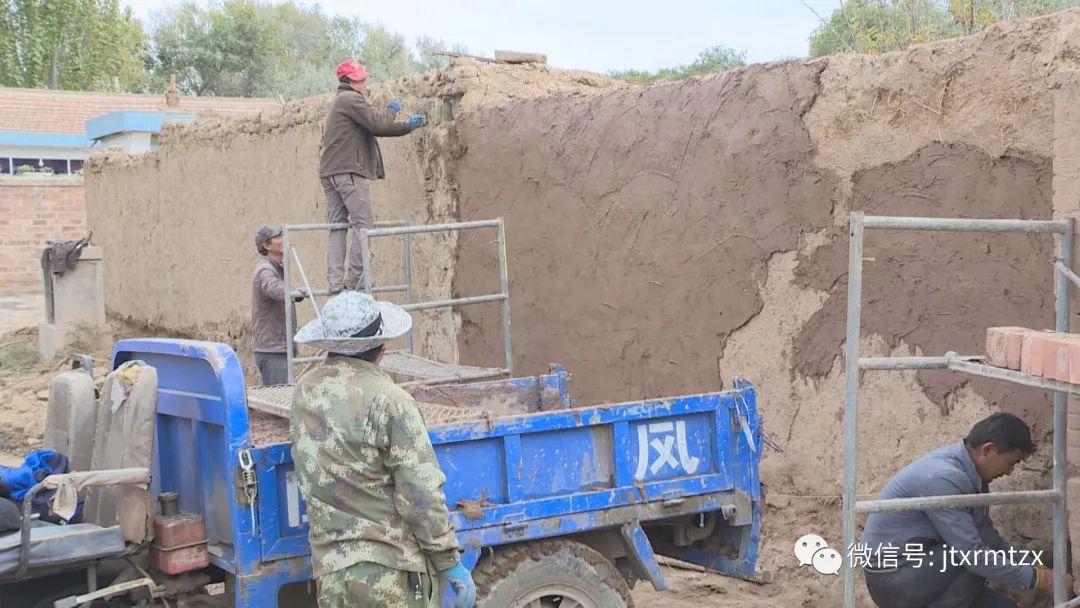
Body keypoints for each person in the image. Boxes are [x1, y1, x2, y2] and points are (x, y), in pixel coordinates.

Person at [290, 290, 476, 608]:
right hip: (390, 577)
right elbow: (420, 495)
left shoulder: (305, 391)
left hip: (333, 576)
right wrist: (449, 561)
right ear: (382, 347)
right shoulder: (390, 400)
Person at [861, 412, 1056, 607]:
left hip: (926, 568)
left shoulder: (970, 472)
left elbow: (988, 537)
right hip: (893, 578)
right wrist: (1041, 580)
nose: (1009, 471)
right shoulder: (944, 478)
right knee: (977, 557)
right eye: (1011, 462)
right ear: (988, 450)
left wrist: (1034, 565)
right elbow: (972, 555)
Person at [320, 58, 426, 294]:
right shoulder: (350, 99)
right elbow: (378, 124)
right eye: (362, 79)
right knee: (364, 224)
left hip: (331, 171)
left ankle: (335, 283)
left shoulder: (341, 101)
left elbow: (377, 128)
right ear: (352, 81)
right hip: (348, 171)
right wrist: (391, 110)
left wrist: (407, 126)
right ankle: (355, 280)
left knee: (337, 226)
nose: (365, 82)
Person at [251, 225, 305, 385]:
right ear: (267, 246)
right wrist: (294, 292)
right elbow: (273, 288)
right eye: (279, 237)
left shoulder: (277, 268)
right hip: (272, 350)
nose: (284, 239)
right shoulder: (265, 270)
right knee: (280, 398)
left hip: (277, 348)